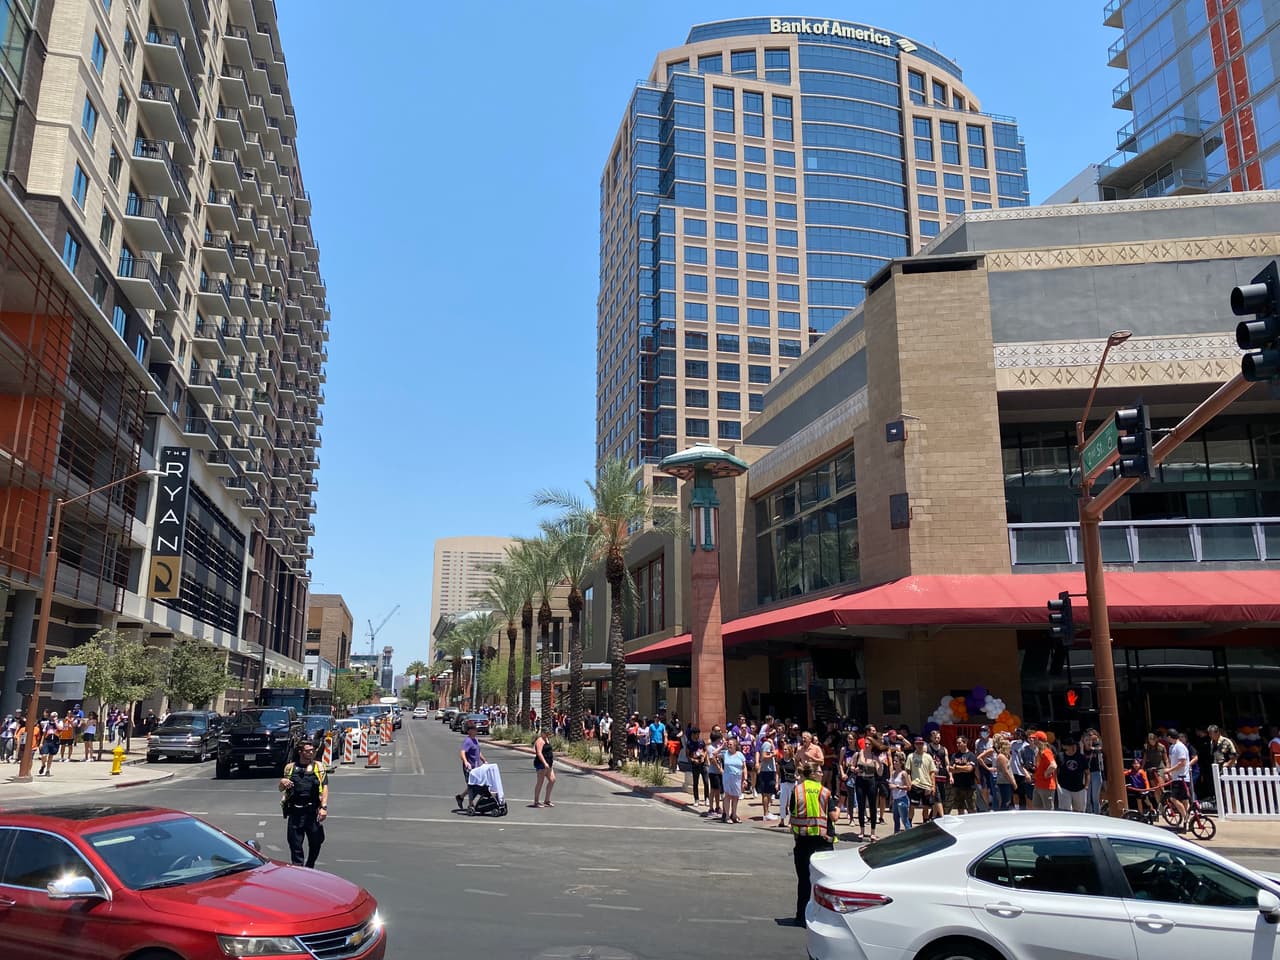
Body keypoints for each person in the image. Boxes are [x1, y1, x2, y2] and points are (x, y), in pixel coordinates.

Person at [791, 761, 837, 924]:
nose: (822, 774)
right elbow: (833, 817)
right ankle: (820, 918)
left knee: (803, 881)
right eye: (819, 771)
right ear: (813, 774)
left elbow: (792, 813)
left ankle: (801, 916)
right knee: (821, 883)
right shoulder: (824, 792)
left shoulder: (797, 791)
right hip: (822, 842)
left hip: (802, 840)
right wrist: (837, 809)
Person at [278, 740, 328, 868]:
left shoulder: (319, 767)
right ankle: (299, 869)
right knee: (295, 845)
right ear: (300, 752)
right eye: (307, 751)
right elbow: (281, 789)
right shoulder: (290, 768)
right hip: (295, 813)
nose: (311, 752)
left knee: (316, 841)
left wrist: (324, 807)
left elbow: (325, 787)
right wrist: (282, 782)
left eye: (312, 750)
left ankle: (310, 864)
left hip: (312, 812)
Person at [455, 721, 486, 812]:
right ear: (469, 731)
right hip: (469, 768)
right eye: (474, 729)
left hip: (476, 767)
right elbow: (462, 752)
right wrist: (466, 762)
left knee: (474, 785)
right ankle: (470, 805)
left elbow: (478, 752)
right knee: (472, 785)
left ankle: (460, 797)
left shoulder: (475, 740)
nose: (476, 731)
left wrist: (484, 760)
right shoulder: (467, 741)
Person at [906, 737, 937, 826]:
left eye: (921, 743)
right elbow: (908, 771)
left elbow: (932, 773)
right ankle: (909, 824)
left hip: (927, 785)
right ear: (915, 745)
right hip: (915, 784)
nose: (920, 745)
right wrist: (909, 783)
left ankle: (925, 824)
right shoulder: (911, 756)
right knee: (912, 806)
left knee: (926, 807)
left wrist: (933, 786)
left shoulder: (928, 757)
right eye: (918, 743)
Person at [1166, 728, 1192, 827]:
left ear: (1169, 737)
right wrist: (1169, 772)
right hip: (1176, 777)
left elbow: (1182, 762)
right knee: (1184, 799)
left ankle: (1185, 817)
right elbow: (1171, 760)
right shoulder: (1172, 747)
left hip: (1181, 777)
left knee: (1173, 798)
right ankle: (1187, 819)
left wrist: (1169, 770)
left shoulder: (1180, 747)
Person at [1056, 739, 1089, 812]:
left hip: (1079, 788)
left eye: (1074, 746)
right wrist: (1057, 784)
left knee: (1079, 811)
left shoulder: (1081, 757)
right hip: (1064, 788)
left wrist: (1086, 786)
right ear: (1065, 747)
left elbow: (1087, 772)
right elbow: (1055, 771)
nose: (1073, 748)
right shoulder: (1060, 756)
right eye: (1070, 746)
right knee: (1066, 811)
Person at [720, 737, 746, 823]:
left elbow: (744, 767)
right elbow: (713, 754)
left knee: (735, 796)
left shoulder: (740, 755)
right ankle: (727, 816)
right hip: (727, 777)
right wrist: (722, 746)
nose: (729, 746)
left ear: (735, 745)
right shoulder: (725, 753)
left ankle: (734, 815)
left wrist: (744, 779)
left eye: (730, 744)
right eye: (728, 744)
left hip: (737, 778)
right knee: (727, 795)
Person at [949, 737, 978, 814]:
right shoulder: (954, 755)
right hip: (958, 786)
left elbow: (969, 769)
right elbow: (951, 769)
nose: (957, 745)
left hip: (969, 786)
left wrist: (957, 767)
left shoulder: (971, 755)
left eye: (959, 743)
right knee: (960, 808)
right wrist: (964, 768)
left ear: (965, 743)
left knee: (971, 808)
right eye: (957, 743)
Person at [1031, 731, 1058, 810]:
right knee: (1036, 809)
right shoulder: (1039, 752)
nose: (1033, 740)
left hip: (1046, 786)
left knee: (1048, 811)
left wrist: (1046, 773)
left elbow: (1053, 765)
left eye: (1034, 739)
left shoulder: (1046, 752)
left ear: (1039, 740)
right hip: (1038, 785)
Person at [532, 728, 555, 807]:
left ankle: (547, 800)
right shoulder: (540, 741)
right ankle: (536, 801)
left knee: (552, 780)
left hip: (549, 763)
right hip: (541, 764)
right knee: (540, 782)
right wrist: (544, 763)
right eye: (546, 733)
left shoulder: (547, 739)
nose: (548, 735)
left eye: (548, 733)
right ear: (542, 733)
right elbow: (539, 753)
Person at [889, 751, 911, 833]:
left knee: (904, 820)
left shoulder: (903, 773)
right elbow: (891, 786)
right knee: (896, 819)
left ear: (901, 763)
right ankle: (896, 834)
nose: (894, 763)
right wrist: (891, 799)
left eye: (896, 761)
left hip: (902, 799)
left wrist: (897, 787)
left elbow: (908, 787)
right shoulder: (893, 773)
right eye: (894, 761)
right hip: (895, 799)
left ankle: (909, 834)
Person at [687, 726, 708, 806]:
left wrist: (704, 756)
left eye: (698, 734)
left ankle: (707, 798)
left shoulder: (701, 741)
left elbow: (705, 750)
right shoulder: (689, 743)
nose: (698, 735)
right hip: (695, 764)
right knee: (695, 783)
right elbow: (687, 755)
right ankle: (696, 799)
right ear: (693, 734)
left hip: (703, 764)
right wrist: (693, 760)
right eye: (696, 734)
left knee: (706, 781)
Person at [994, 738, 1016, 811]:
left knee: (1008, 801)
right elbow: (1005, 772)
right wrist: (1013, 782)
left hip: (1007, 782)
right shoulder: (1001, 757)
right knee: (1005, 802)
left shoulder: (1006, 756)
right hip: (1003, 782)